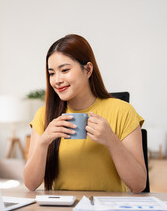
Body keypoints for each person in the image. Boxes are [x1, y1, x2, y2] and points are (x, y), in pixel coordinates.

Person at [23, 34, 146, 193]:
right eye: (52, 73)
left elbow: (138, 185)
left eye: (65, 70)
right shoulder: (44, 115)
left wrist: (111, 141)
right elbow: (31, 184)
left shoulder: (122, 111)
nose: (57, 80)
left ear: (88, 69)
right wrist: (44, 142)